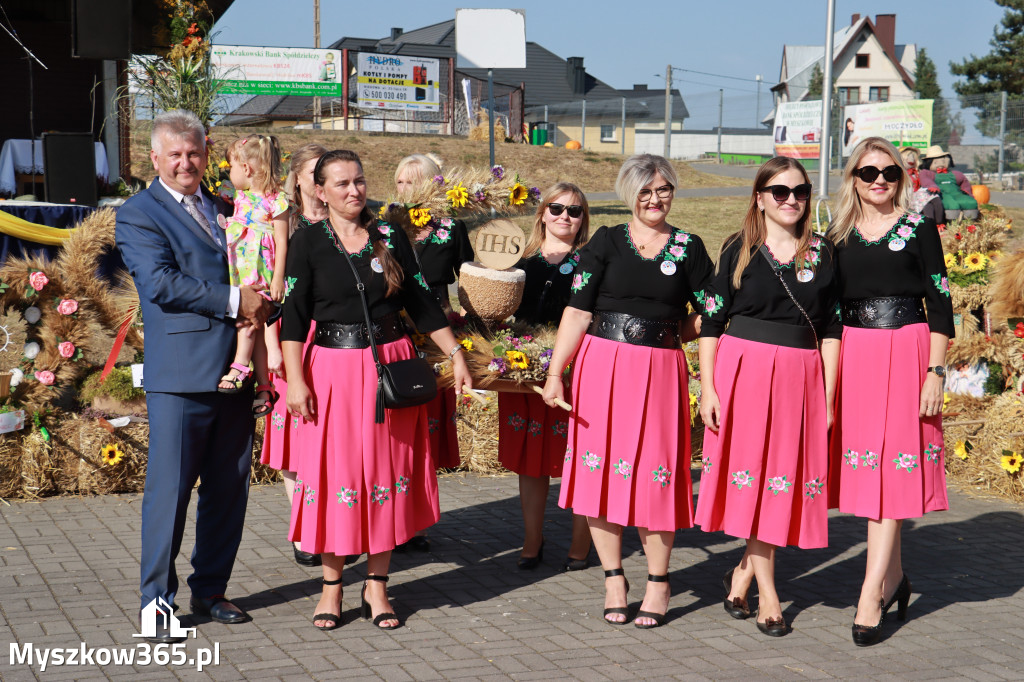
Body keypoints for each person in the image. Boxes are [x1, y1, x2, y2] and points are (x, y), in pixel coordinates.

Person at [282, 149, 472, 631]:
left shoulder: (390, 235)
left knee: (385, 473)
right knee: (335, 475)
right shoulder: (306, 240)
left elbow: (422, 303)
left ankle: (377, 586)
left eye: (360, 181)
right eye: (342, 183)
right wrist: (296, 380)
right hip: (330, 371)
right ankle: (331, 588)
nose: (354, 191)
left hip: (390, 368)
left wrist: (456, 354)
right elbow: (293, 317)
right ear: (320, 191)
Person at [115, 109, 275, 642]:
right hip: (181, 375)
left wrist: (268, 298)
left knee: (229, 489)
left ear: (207, 155)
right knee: (170, 493)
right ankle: (156, 604)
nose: (186, 163)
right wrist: (237, 299)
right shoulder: (139, 214)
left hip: (236, 370)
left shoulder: (228, 207)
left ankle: (210, 590)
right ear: (155, 159)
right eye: (175, 155)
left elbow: (255, 260)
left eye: (195, 153)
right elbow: (160, 283)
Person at [542, 154, 714, 628]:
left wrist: (680, 330)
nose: (654, 199)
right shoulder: (607, 241)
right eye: (644, 191)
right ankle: (614, 578)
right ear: (629, 194)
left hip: (660, 370)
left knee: (657, 476)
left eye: (663, 190)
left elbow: (714, 310)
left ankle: (659, 583)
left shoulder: (689, 246)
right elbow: (577, 311)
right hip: (602, 366)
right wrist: (556, 372)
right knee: (601, 475)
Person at [694, 157, 842, 637]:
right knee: (751, 483)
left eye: (799, 191)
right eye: (779, 191)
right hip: (742, 374)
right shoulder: (738, 248)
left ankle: (742, 574)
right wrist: (708, 387)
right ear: (759, 198)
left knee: (776, 482)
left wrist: (829, 394)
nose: (791, 200)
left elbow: (833, 329)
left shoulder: (823, 252)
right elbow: (712, 325)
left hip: (800, 375)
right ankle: (770, 595)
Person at [827, 137, 954, 646]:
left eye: (890, 173)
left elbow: (941, 306)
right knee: (871, 473)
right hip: (855, 356)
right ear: (852, 178)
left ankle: (870, 594)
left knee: (890, 478)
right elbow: (827, 313)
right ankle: (896, 579)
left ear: (903, 179)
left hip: (907, 354)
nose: (879, 181)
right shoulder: (836, 236)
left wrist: (935, 372)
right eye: (868, 173)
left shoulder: (920, 229)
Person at [498, 182, 593, 572]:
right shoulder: (520, 261)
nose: (564, 217)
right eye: (556, 208)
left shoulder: (593, 261)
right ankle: (532, 539)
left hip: (576, 370)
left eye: (574, 211)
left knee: (581, 459)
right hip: (525, 372)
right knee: (530, 462)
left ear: (583, 219)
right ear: (542, 213)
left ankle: (580, 545)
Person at [392, 153, 475, 551]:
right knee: (397, 432)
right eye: (401, 182)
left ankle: (416, 522)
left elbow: (470, 277)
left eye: (414, 182)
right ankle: (388, 516)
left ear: (432, 185)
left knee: (425, 432)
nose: (405, 190)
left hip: (438, 338)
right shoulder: (387, 228)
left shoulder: (450, 228)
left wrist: (471, 324)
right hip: (396, 337)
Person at [259, 143, 328, 568]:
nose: (322, 180)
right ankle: (303, 529)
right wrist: (270, 347)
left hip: (335, 339)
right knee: (290, 437)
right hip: (289, 334)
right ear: (299, 177)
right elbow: (267, 288)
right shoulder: (282, 221)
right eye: (315, 172)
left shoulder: (350, 221)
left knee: (324, 432)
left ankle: (330, 520)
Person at [217, 134, 290, 418]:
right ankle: (264, 386)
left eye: (231, 166)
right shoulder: (239, 196)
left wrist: (277, 278)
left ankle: (239, 365)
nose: (228, 173)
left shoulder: (277, 201)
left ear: (246, 169)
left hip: (262, 271)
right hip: (240, 269)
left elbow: (283, 241)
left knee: (247, 319)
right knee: (255, 327)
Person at [898, 146, 944, 225]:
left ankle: (937, 223)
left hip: (919, 197)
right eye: (908, 156)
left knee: (930, 202)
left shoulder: (919, 172)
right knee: (928, 198)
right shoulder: (900, 173)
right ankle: (931, 224)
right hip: (907, 196)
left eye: (913, 156)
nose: (911, 158)